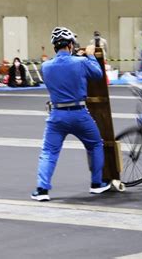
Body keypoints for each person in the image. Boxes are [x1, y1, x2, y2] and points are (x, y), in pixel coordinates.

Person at [31, 27, 111, 202]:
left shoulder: (45, 66)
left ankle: (42, 189)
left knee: (49, 152)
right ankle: (96, 184)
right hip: (79, 113)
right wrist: (89, 55)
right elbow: (97, 75)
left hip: (57, 115)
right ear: (70, 45)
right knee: (95, 144)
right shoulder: (80, 62)